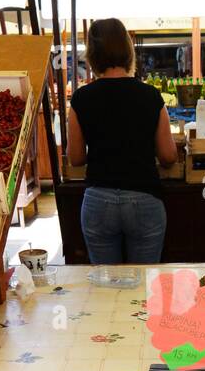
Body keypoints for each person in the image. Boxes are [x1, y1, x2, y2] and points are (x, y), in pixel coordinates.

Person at [68, 19, 178, 265]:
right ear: (129, 51)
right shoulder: (150, 95)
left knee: (107, 288)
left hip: (98, 201)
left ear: (92, 55)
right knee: (144, 284)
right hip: (144, 199)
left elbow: (75, 158)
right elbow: (169, 156)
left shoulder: (81, 99)